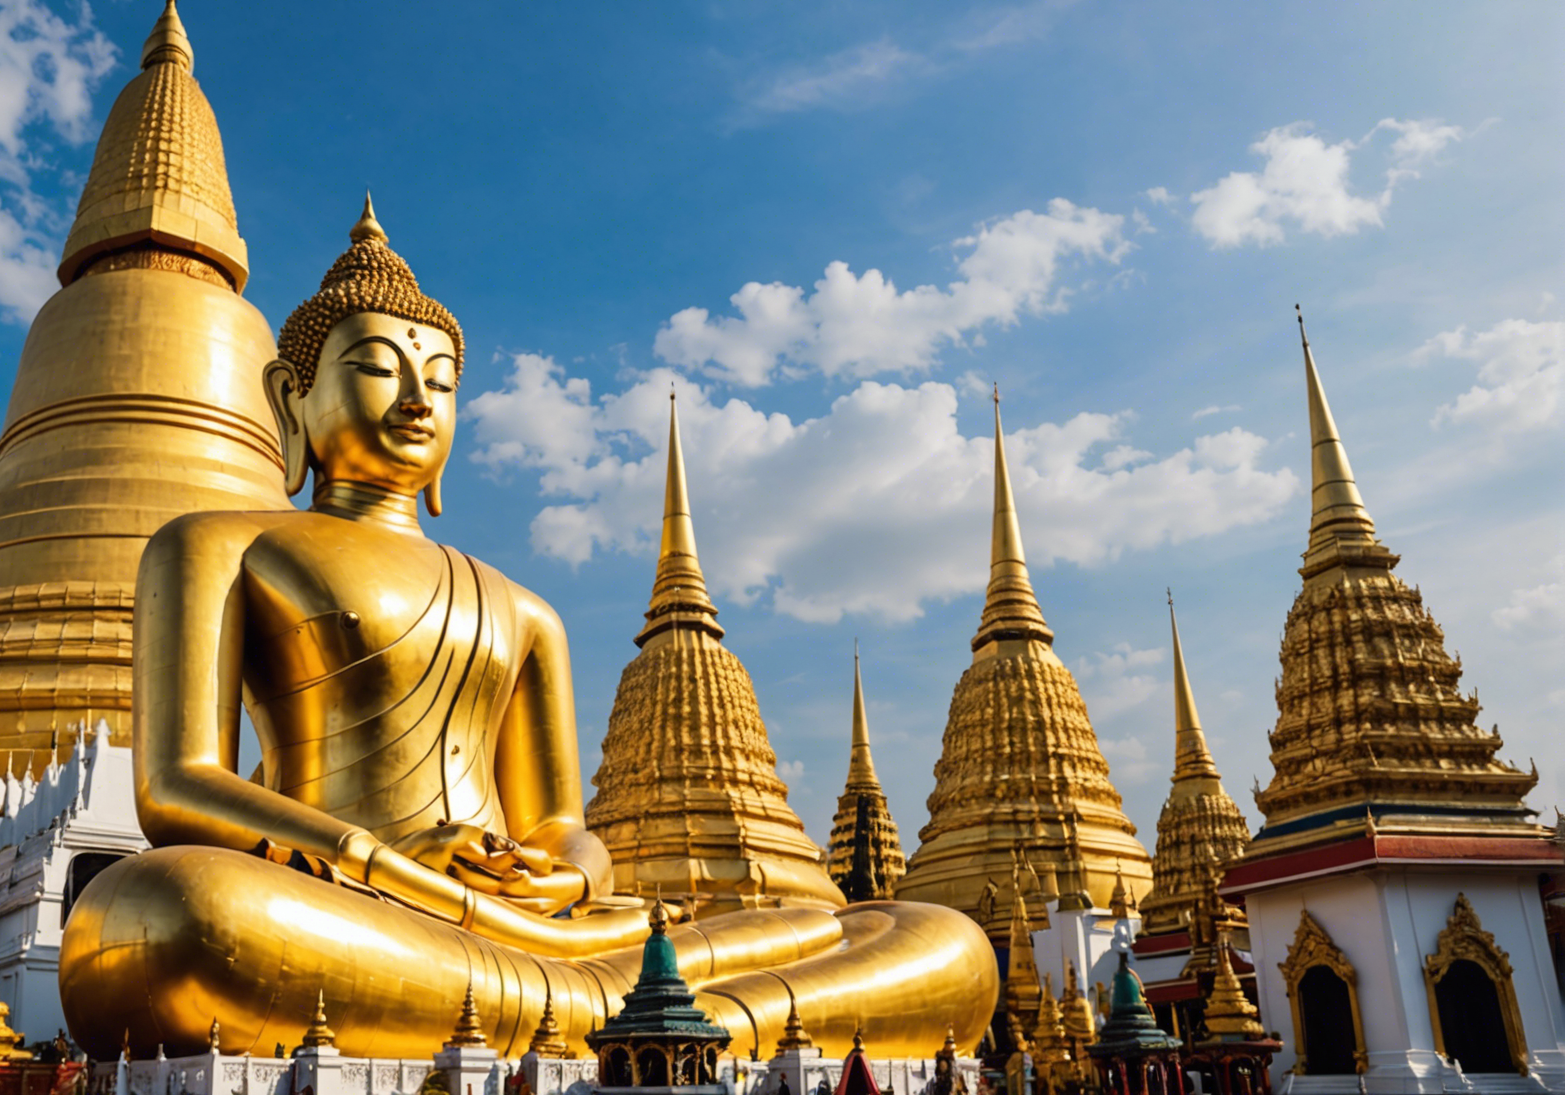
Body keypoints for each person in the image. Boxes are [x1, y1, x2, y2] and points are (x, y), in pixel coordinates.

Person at [58, 200, 997, 1060]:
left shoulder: (518, 605)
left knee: (930, 939)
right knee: (161, 913)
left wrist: (569, 883)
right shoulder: (219, 544)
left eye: (440, 379)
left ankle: (652, 1019)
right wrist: (380, 860)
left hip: (545, 929)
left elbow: (558, 825)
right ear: (288, 400)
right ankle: (658, 1026)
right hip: (355, 905)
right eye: (378, 370)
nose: (418, 399)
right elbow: (179, 785)